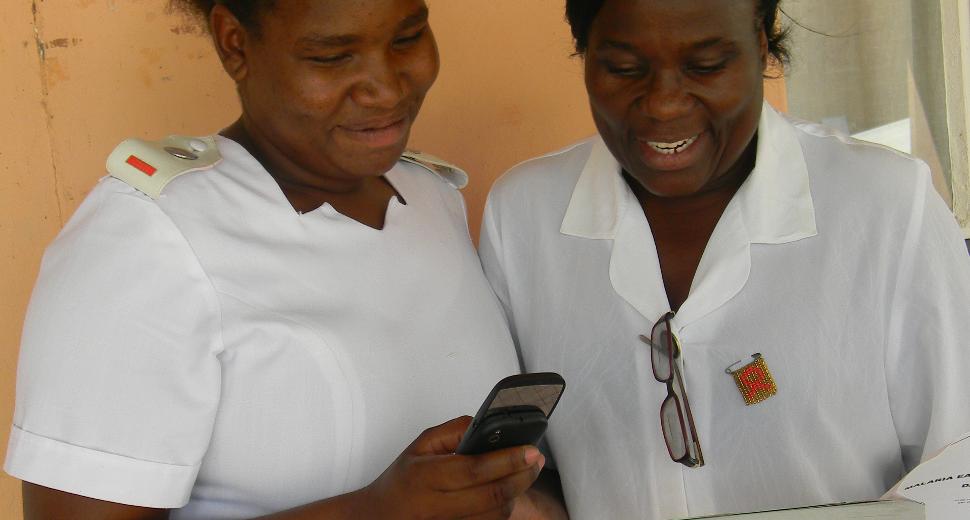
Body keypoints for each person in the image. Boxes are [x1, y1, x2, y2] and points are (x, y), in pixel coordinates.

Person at [3, 1, 557, 518]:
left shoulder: (429, 197)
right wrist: (372, 511)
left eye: (408, 38)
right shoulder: (147, 236)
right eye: (332, 57)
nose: (387, 89)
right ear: (234, 43)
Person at [478, 0, 970, 518]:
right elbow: (535, 470)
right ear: (586, 54)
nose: (664, 105)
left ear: (760, 43)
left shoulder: (886, 206)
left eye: (706, 66)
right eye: (623, 68)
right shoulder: (525, 215)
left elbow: (957, 469)